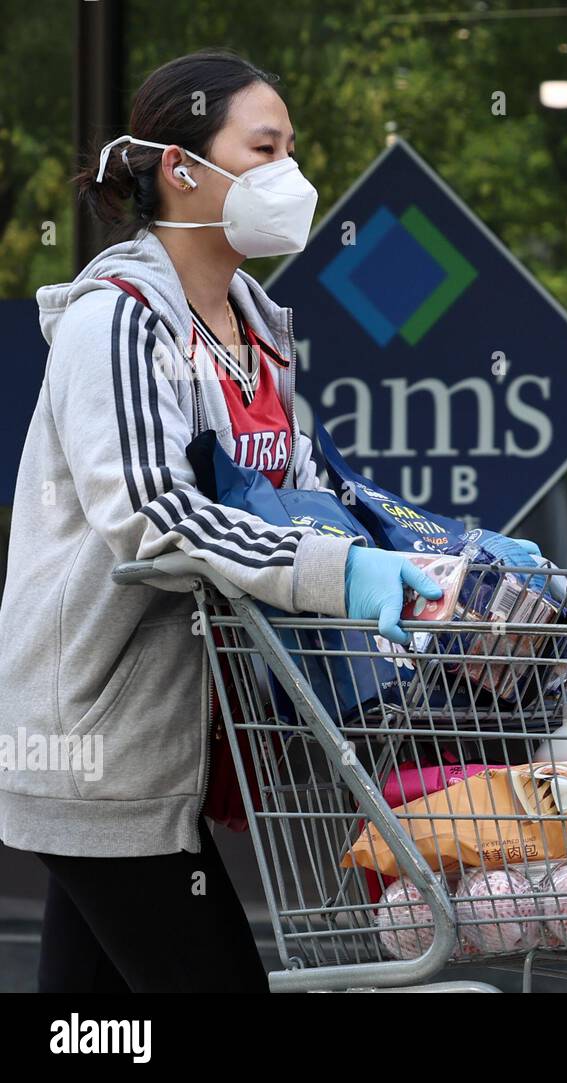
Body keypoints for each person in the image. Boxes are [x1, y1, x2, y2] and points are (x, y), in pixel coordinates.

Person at [0, 49, 536, 993]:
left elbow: (317, 492)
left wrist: (460, 552)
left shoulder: (257, 330)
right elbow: (155, 516)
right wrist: (347, 574)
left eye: (294, 148)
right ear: (182, 166)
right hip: (105, 750)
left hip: (184, 758)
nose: (291, 172)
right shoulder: (122, 322)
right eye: (267, 146)